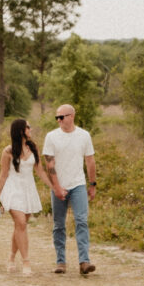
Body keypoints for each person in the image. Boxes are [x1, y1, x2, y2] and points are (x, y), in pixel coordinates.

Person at [43, 103, 97, 275]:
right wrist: (57, 187)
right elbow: (49, 164)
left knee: (81, 220)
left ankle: (84, 261)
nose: (59, 120)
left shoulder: (84, 135)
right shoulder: (51, 137)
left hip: (78, 184)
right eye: (57, 117)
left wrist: (92, 184)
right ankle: (61, 262)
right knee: (59, 224)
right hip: (59, 184)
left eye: (62, 117)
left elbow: (90, 161)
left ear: (71, 116)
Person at [0, 118, 52, 276]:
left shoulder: (33, 147)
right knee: (21, 223)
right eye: (28, 127)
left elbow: (40, 171)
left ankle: (11, 257)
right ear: (21, 131)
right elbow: (3, 175)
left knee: (20, 226)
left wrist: (54, 187)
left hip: (28, 190)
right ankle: (26, 262)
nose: (31, 129)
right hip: (13, 189)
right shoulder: (8, 151)